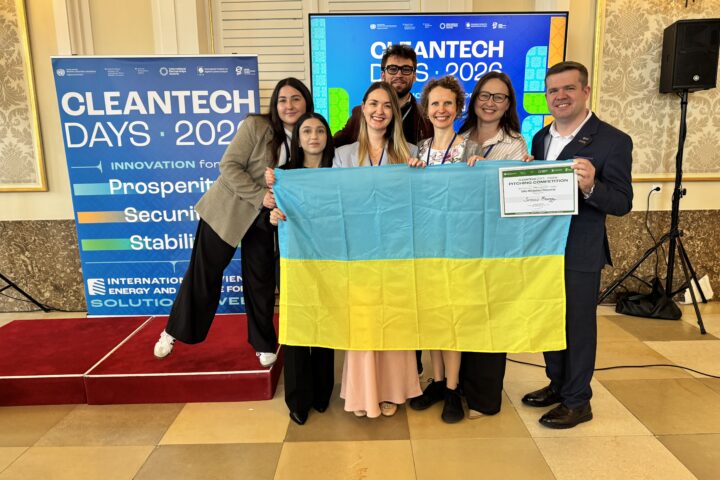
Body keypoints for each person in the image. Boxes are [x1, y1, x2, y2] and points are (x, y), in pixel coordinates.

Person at [152, 78, 313, 368]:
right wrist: (259, 195)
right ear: (275, 105)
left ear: (306, 102)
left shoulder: (308, 133)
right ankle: (173, 331)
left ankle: (263, 344)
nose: (289, 106)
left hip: (265, 218)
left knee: (260, 280)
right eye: (282, 100)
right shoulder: (256, 126)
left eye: (296, 99)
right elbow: (228, 166)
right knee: (205, 273)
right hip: (228, 208)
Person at [521, 61, 633, 428]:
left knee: (578, 325)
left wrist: (591, 187)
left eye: (568, 88)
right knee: (549, 317)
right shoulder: (540, 138)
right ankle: (558, 384)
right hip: (543, 246)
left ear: (585, 91)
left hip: (581, 249)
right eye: (553, 90)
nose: (560, 96)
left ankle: (578, 400)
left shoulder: (613, 140)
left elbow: (622, 202)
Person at [334, 82, 422, 418]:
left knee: (394, 320)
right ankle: (363, 394)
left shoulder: (410, 153)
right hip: (358, 254)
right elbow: (334, 202)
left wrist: (420, 175)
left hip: (397, 252)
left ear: (395, 114)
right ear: (363, 107)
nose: (379, 111)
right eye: (373, 103)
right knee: (364, 324)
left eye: (387, 105)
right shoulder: (342, 155)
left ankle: (392, 391)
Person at [451, 71, 530, 420]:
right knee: (463, 315)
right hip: (460, 241)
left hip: (496, 243)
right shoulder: (459, 137)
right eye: (484, 95)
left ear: (508, 103)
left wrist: (493, 171)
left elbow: (513, 195)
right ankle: (458, 386)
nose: (490, 103)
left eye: (499, 97)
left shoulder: (515, 144)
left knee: (490, 317)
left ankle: (484, 398)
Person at [406, 76, 479, 424]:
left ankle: (453, 389)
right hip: (424, 246)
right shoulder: (417, 150)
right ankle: (436, 382)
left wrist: (478, 171)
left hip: (456, 246)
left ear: (458, 107)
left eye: (448, 103)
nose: (441, 109)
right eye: (435, 103)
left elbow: (477, 196)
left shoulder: (471, 149)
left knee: (452, 320)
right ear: (426, 108)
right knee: (431, 317)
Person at [265, 112, 336, 426]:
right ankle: (297, 399)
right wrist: (272, 216)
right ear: (297, 139)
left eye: (320, 130)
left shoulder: (339, 174)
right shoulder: (284, 177)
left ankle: (322, 392)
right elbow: (270, 216)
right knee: (297, 326)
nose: (314, 136)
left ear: (327, 137)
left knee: (326, 323)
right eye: (307, 131)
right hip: (294, 262)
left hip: (331, 262)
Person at [333, 44, 433, 148]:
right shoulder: (360, 114)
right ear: (383, 75)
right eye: (392, 69)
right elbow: (333, 147)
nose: (399, 75)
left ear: (414, 76)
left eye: (406, 69)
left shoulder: (427, 117)